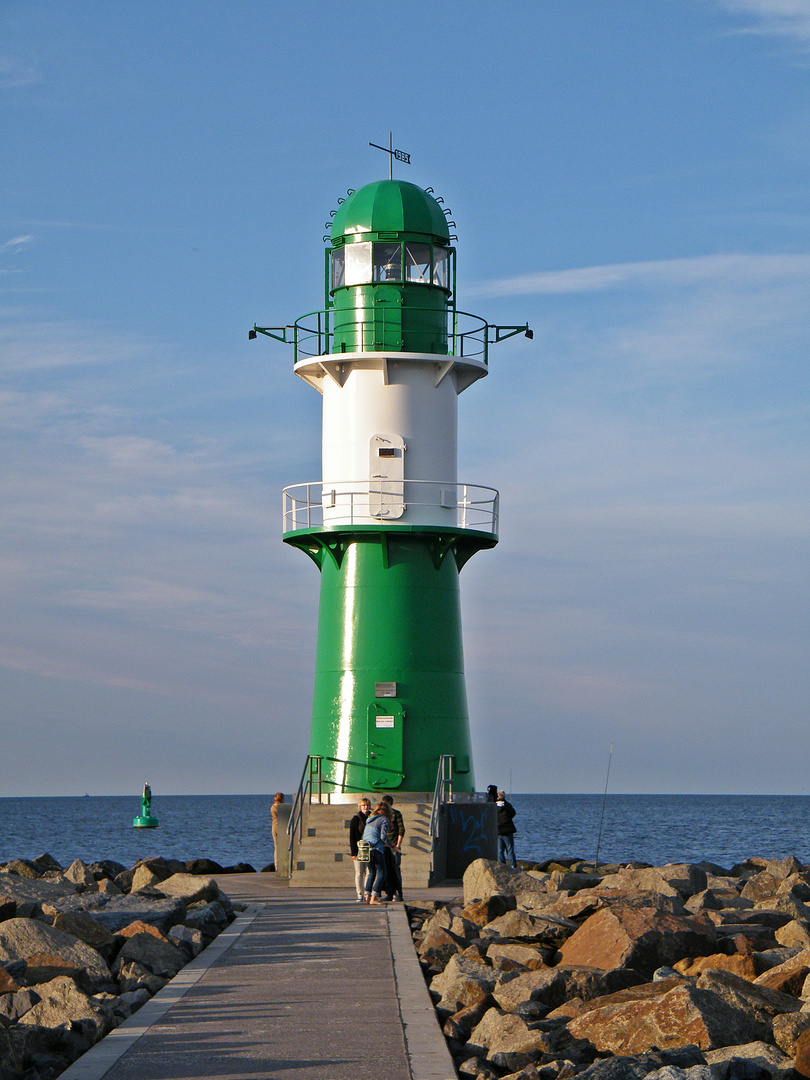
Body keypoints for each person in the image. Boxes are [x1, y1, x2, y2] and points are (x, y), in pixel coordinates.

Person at [362, 800, 391, 905]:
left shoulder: (369, 820)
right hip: (376, 849)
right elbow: (383, 836)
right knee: (382, 873)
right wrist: (390, 844)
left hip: (366, 848)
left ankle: (367, 896)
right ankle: (374, 898)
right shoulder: (383, 819)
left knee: (371, 872)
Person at [381, 793, 404, 902]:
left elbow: (401, 829)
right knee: (387, 871)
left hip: (393, 845)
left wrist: (398, 845)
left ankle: (398, 893)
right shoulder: (382, 815)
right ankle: (390, 893)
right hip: (385, 846)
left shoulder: (396, 814)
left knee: (395, 870)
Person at [349, 796, 371, 901]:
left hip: (370, 848)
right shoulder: (356, 819)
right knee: (359, 872)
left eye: (367, 805)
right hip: (359, 848)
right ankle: (359, 893)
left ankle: (367, 892)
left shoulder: (372, 817)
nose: (366, 807)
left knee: (369, 871)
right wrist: (353, 852)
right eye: (363, 805)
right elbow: (352, 836)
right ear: (360, 807)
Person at [496, 789, 517, 867]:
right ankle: (512, 866)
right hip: (507, 830)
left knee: (500, 850)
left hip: (498, 830)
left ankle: (502, 865)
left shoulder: (494, 805)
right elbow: (513, 814)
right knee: (510, 850)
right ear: (504, 796)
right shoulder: (507, 805)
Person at [271, 792, 284, 868]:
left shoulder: (273, 807)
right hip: (278, 827)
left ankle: (277, 865)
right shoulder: (280, 808)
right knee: (278, 847)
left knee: (276, 847)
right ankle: (278, 864)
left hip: (275, 827)